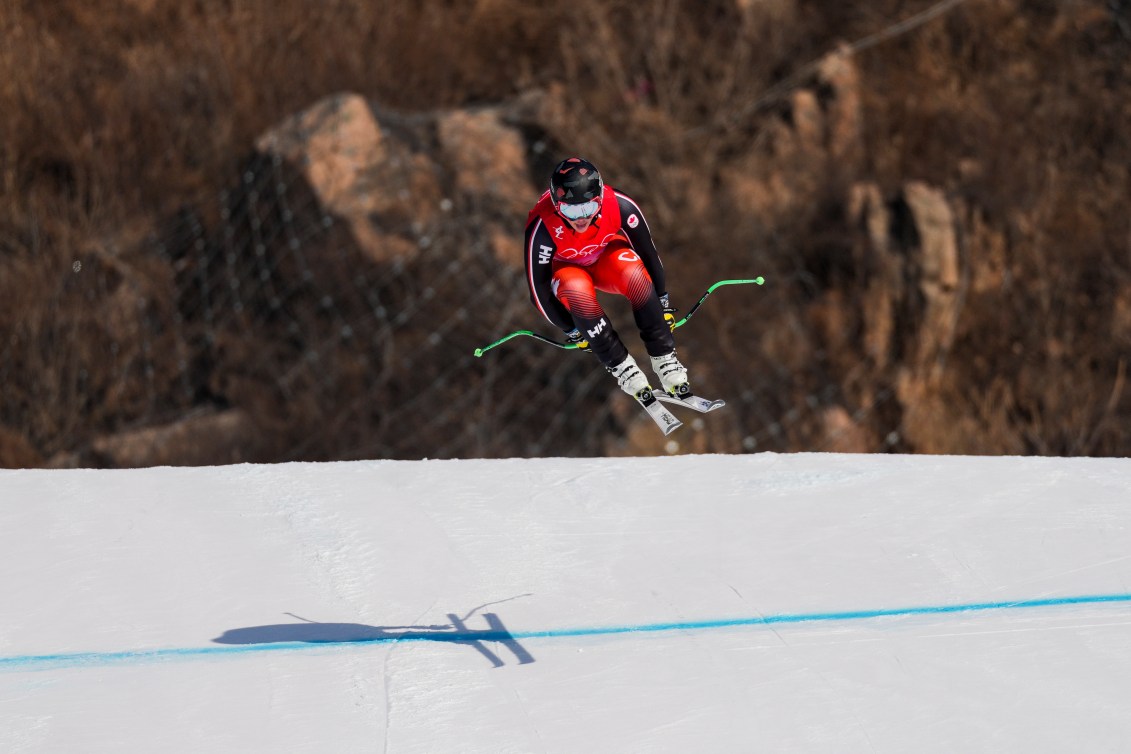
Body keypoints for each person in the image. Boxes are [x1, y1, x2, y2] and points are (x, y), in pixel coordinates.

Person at [523, 157, 691, 399]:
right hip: (567, 270)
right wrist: (570, 328)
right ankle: (623, 367)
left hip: (606, 259)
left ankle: (665, 359)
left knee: (634, 273)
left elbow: (649, 256)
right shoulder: (543, 226)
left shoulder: (620, 205)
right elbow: (538, 292)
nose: (581, 219)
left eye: (589, 208)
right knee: (575, 288)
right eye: (571, 210)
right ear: (557, 206)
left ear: (600, 199)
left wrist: (661, 302)